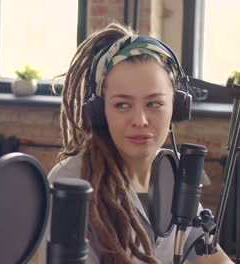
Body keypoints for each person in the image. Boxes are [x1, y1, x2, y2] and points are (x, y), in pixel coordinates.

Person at [42, 23, 232, 263]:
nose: (140, 120)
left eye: (153, 104)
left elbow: (211, 257)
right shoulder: (71, 182)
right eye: (122, 105)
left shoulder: (173, 174)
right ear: (99, 112)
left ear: (177, 107)